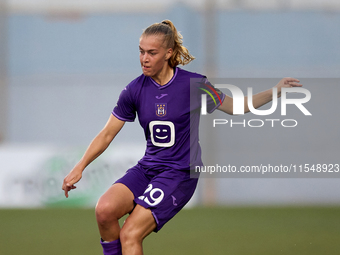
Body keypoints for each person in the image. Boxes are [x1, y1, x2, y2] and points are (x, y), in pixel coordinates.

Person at [62, 20, 302, 255]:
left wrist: (276, 90)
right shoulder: (134, 90)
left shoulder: (194, 85)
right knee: (104, 210)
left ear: (168, 53)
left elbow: (236, 107)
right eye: (141, 51)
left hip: (180, 173)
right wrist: (80, 166)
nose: (144, 58)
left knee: (130, 233)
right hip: (148, 168)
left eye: (152, 53)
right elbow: (106, 134)